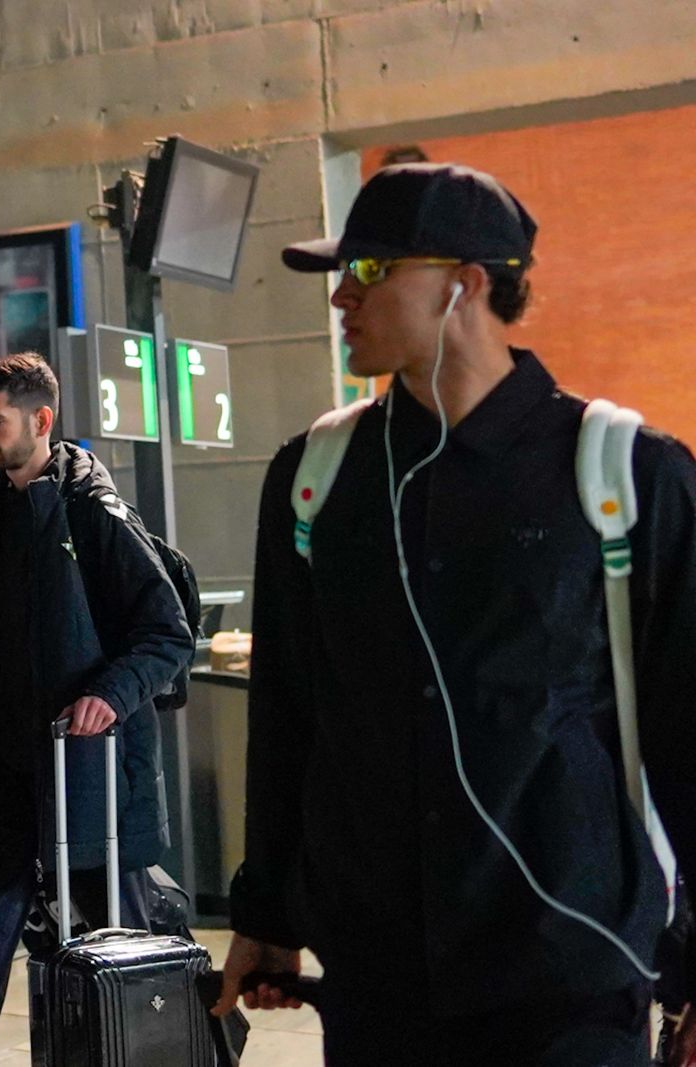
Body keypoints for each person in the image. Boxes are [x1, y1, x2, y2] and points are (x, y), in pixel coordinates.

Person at [212, 163, 696, 1065]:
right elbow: (290, 713)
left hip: (572, 980)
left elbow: (685, 725)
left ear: (465, 284)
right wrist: (268, 911)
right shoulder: (317, 479)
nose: (339, 299)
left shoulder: (628, 473)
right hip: (378, 983)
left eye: (367, 272)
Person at [0, 354, 195, 1066]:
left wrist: (107, 695)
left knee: (126, 946)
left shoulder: (94, 513)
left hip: (85, 774)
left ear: (40, 421)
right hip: (7, 775)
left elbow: (168, 632)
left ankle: (192, 1049)